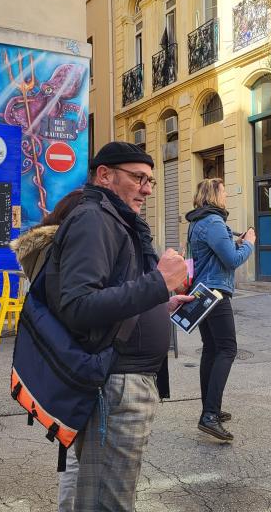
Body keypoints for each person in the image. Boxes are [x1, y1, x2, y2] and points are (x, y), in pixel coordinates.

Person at [43, 141, 191, 512]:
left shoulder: (113, 219)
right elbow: (78, 305)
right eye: (138, 178)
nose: (147, 189)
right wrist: (158, 283)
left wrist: (159, 302)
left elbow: (113, 293)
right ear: (105, 176)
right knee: (108, 503)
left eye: (151, 181)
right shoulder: (94, 219)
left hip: (125, 382)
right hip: (116, 384)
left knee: (110, 498)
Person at [10, 189, 84, 512]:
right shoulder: (63, 252)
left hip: (55, 360)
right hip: (72, 360)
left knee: (71, 449)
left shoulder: (43, 251)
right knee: (77, 452)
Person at [185, 178, 255, 441]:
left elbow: (211, 254)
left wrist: (234, 240)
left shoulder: (197, 223)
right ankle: (210, 415)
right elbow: (232, 259)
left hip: (201, 292)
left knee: (212, 350)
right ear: (214, 195)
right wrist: (248, 243)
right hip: (215, 293)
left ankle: (209, 408)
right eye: (224, 191)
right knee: (227, 349)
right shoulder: (213, 222)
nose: (226, 195)